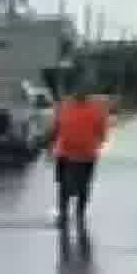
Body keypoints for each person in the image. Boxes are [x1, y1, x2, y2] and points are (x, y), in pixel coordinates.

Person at [50, 86, 110, 227]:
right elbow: (102, 133)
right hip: (86, 154)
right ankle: (79, 213)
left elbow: (56, 129)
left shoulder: (65, 109)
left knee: (64, 185)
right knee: (83, 185)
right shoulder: (96, 111)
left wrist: (49, 143)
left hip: (67, 153)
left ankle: (64, 213)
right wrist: (96, 143)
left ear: (74, 97)